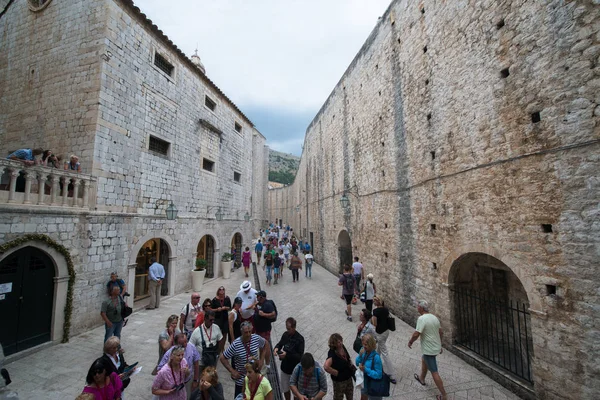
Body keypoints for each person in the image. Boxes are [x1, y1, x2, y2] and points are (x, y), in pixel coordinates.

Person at [408, 300, 447, 400]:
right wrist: (440, 345)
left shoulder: (422, 318)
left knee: (434, 371)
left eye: (418, 307)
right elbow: (441, 332)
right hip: (434, 347)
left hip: (429, 349)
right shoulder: (434, 317)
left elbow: (417, 333)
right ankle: (422, 378)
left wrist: (411, 341)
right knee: (424, 359)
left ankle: (444, 395)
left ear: (421, 308)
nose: (417, 308)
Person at [220, 321, 268, 398]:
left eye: (250, 332)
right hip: (241, 380)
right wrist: (232, 371)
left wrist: (261, 361)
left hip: (255, 378)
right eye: (246, 332)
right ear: (241, 332)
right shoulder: (236, 344)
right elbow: (223, 358)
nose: (248, 334)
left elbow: (266, 344)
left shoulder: (256, 338)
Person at [274, 317, 305, 400]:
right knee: (285, 389)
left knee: (296, 392)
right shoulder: (285, 335)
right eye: (287, 328)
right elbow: (280, 344)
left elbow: (299, 356)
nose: (288, 331)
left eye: (289, 329)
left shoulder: (300, 339)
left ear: (294, 327)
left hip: (295, 370)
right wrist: (276, 348)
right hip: (284, 368)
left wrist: (286, 355)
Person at [371, 296, 396, 384]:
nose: (373, 301)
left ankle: (392, 374)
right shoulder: (386, 309)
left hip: (380, 333)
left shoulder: (375, 311)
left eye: (375, 300)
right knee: (379, 350)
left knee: (384, 353)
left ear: (377, 302)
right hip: (386, 332)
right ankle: (375, 364)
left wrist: (372, 318)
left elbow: (374, 324)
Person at [324, 333, 354, 400]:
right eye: (338, 342)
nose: (340, 343)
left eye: (341, 341)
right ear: (334, 343)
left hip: (348, 378)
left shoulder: (342, 346)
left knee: (350, 396)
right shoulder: (332, 353)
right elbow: (326, 366)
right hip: (339, 382)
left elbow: (347, 357)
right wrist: (336, 373)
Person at [355, 334, 383, 400]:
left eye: (366, 344)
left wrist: (366, 369)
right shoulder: (364, 352)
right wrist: (360, 355)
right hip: (364, 383)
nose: (364, 346)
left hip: (373, 385)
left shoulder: (376, 357)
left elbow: (379, 375)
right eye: (363, 344)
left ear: (371, 344)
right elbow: (356, 363)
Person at [211, 286, 231, 351]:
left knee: (225, 333)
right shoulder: (214, 300)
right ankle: (218, 347)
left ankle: (222, 347)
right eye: (220, 290)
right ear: (218, 291)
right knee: (217, 333)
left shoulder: (227, 298)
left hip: (225, 319)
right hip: (217, 319)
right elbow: (211, 309)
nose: (222, 291)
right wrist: (217, 309)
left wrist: (225, 308)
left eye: (223, 290)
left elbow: (230, 307)